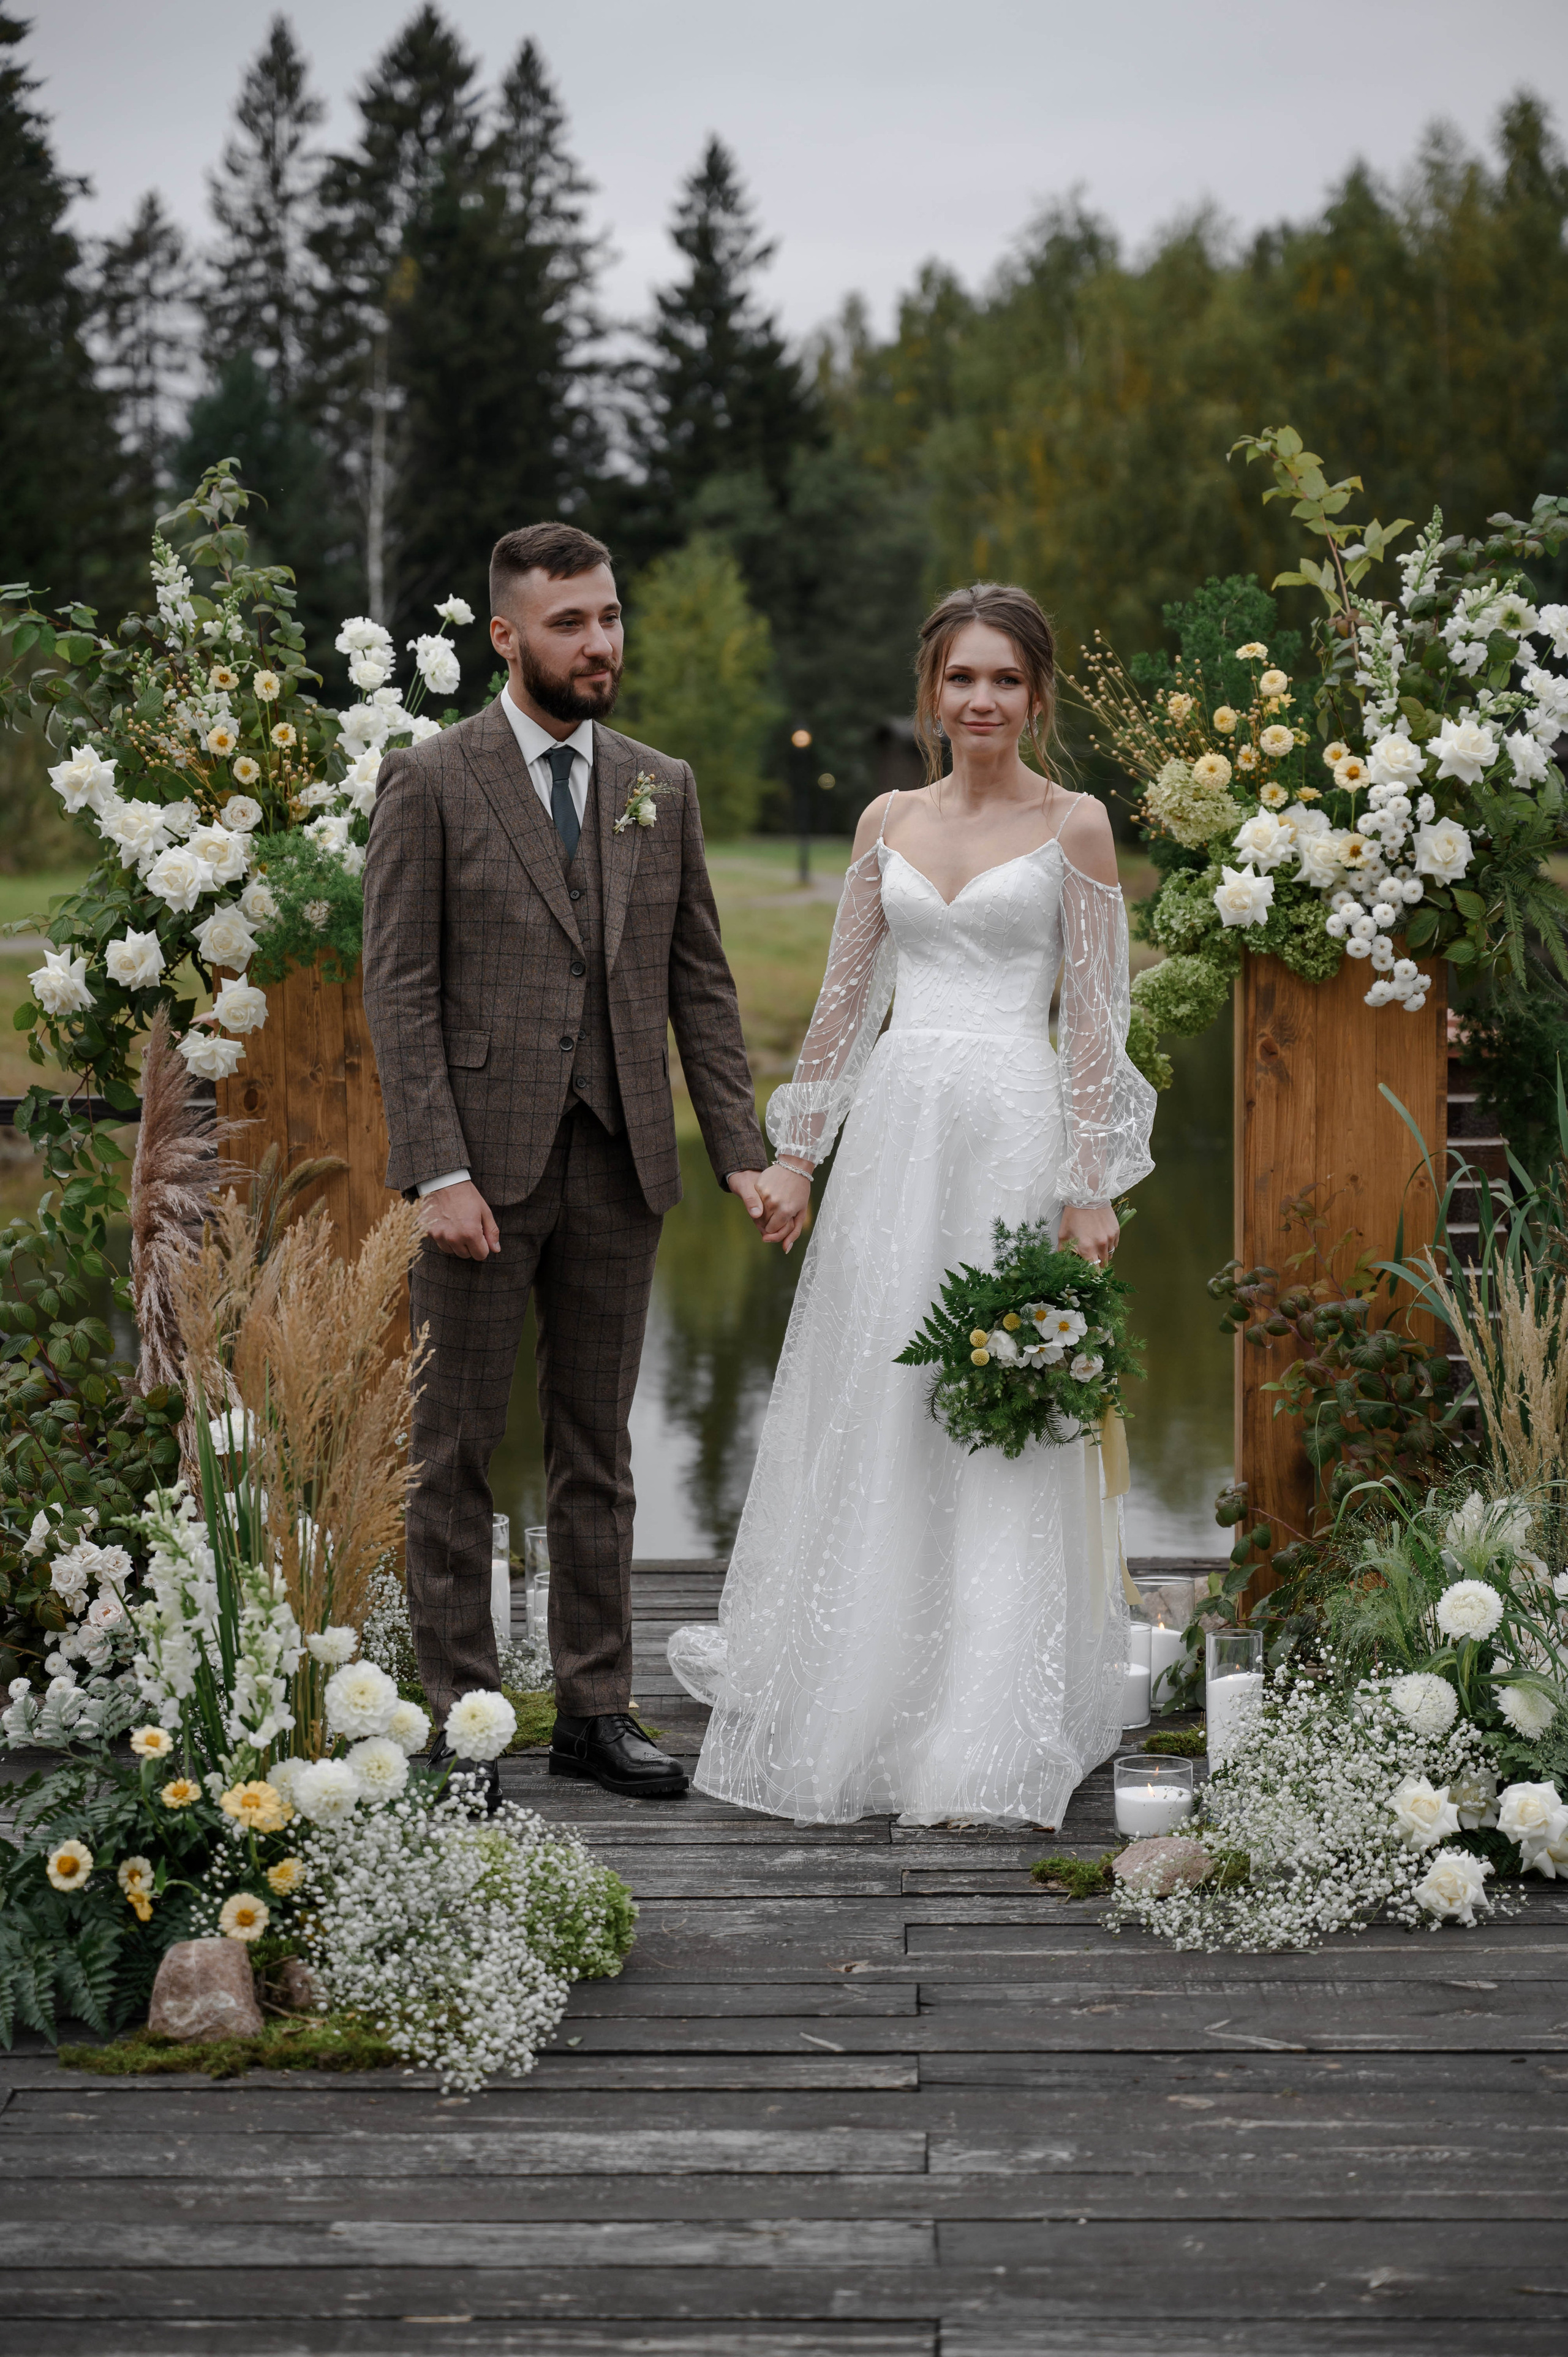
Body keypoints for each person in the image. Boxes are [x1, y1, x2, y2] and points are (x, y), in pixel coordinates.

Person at [668, 582, 1156, 1826]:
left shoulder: (1077, 825)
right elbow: (843, 1001)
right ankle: (867, 1676)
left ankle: (986, 1707)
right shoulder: (884, 818)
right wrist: (796, 1156)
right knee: (881, 1386)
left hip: (1011, 1129)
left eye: (1003, 679)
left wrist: (1087, 1184)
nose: (980, 700)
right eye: (959, 679)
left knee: (997, 1395)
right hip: (896, 1134)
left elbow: (1097, 1022)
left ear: (1035, 695)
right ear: (928, 694)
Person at [363, 521, 786, 1806]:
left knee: (596, 1448)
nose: (599, 642)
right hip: (478, 1176)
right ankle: (463, 1724)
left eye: (608, 616)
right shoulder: (431, 780)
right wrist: (436, 1167)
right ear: (506, 636)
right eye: (569, 623)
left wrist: (742, 1153)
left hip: (618, 1163)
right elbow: (400, 986)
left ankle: (596, 1708)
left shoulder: (659, 782)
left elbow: (700, 985)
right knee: (453, 1455)